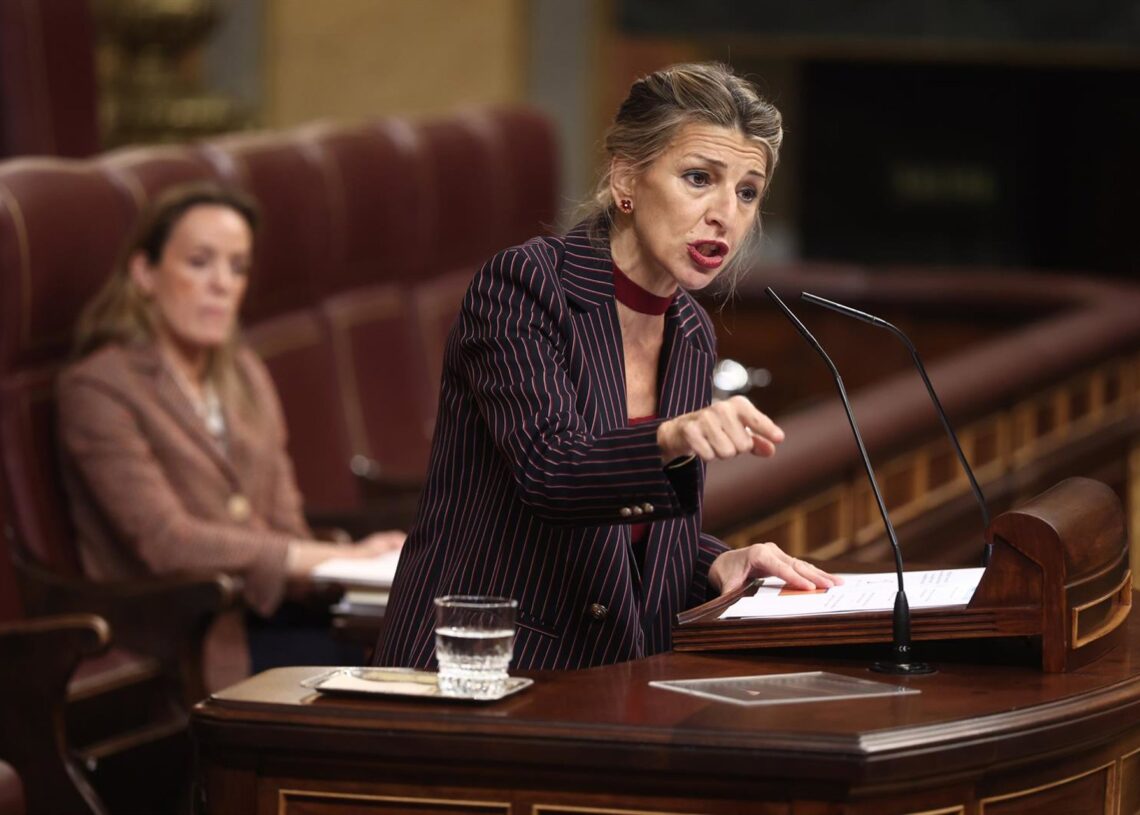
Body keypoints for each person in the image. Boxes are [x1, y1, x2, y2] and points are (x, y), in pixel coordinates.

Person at [377, 62, 839, 672]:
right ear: (627, 177)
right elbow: (550, 471)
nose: (726, 213)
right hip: (480, 668)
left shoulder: (691, 332)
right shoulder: (525, 286)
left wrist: (715, 563)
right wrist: (668, 437)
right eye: (699, 178)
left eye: (747, 190)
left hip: (612, 675)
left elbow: (632, 529)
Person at [58, 183, 404, 692]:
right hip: (185, 630)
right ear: (144, 273)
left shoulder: (243, 372)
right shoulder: (99, 387)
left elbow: (285, 517)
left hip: (267, 608)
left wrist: (357, 563)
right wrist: (324, 557)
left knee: (414, 641)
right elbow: (165, 542)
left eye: (237, 267)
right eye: (200, 263)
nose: (222, 284)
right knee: (382, 672)